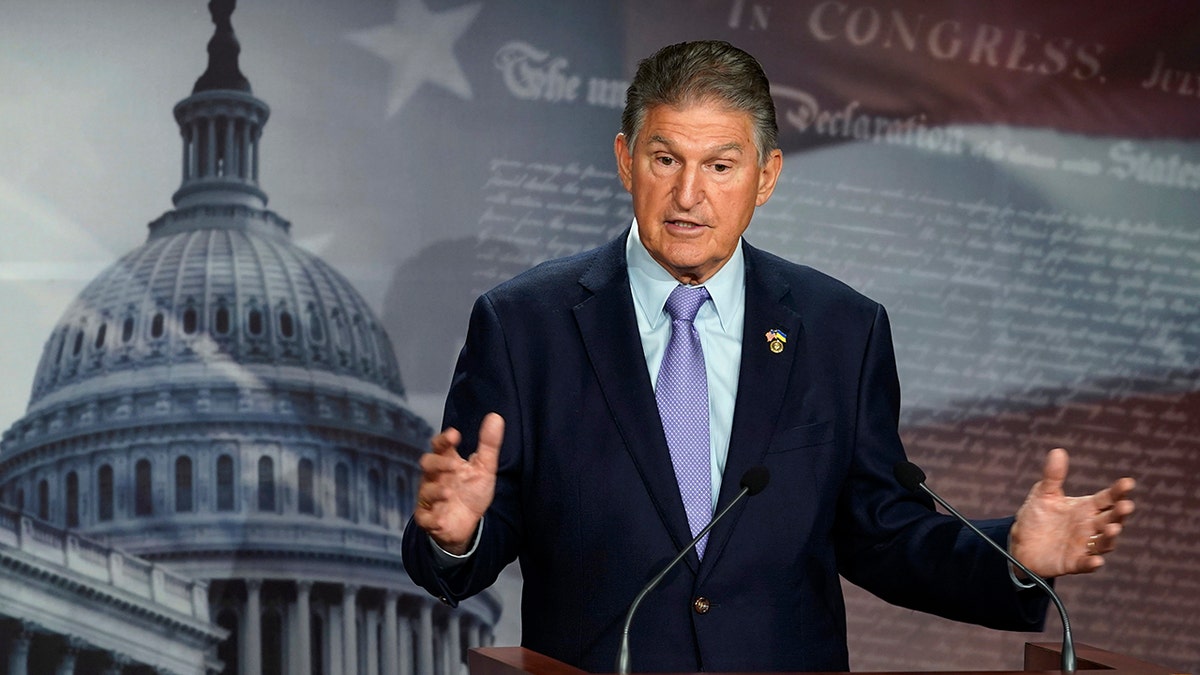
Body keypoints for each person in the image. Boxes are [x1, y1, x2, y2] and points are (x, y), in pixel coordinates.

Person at [401, 40, 1136, 673]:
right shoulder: (525, 324)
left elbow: (881, 528)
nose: (689, 194)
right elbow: (473, 535)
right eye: (666, 158)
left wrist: (1011, 551)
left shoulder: (840, 329)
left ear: (768, 175)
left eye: (721, 166)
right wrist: (455, 534)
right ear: (627, 161)